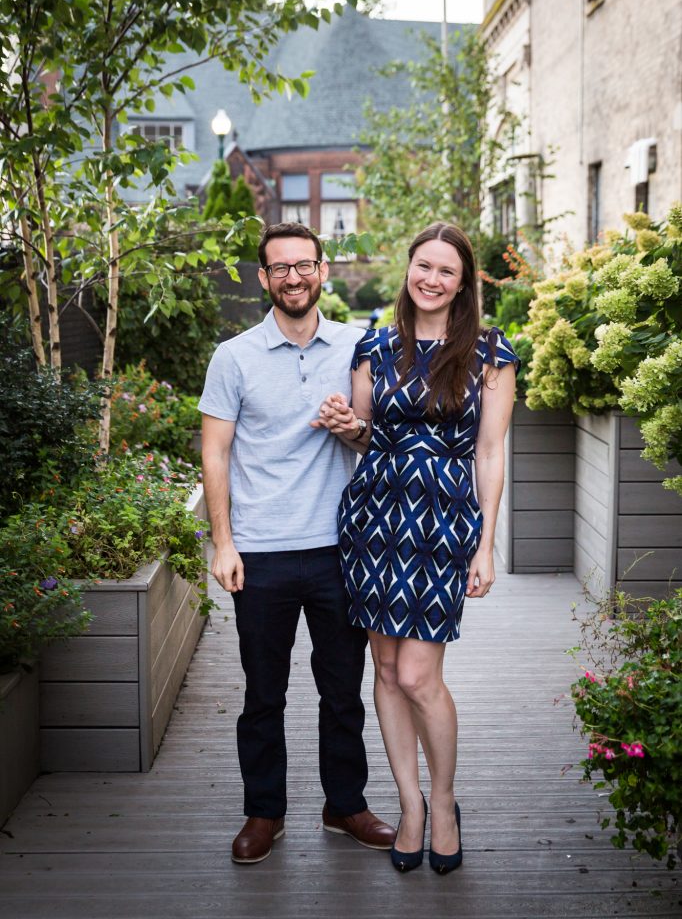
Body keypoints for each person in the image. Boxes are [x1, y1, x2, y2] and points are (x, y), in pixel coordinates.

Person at [314, 221, 519, 875]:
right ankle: (409, 806)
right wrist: (350, 428)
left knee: (418, 675)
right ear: (409, 269)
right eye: (423, 265)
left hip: (441, 524)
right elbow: (365, 435)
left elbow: (489, 452)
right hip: (374, 519)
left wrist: (486, 545)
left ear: (463, 286)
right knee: (384, 674)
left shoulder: (490, 352)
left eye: (446, 271)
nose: (431, 278)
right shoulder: (375, 345)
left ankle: (446, 802)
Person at [198, 221, 395, 865]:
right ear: (263, 279)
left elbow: (376, 438)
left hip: (341, 547)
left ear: (323, 272)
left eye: (303, 265)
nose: (293, 277)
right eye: (279, 267)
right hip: (261, 551)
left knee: (343, 687)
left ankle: (345, 804)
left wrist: (354, 429)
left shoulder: (357, 347)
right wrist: (223, 545)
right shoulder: (234, 357)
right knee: (263, 692)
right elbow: (216, 455)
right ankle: (264, 813)